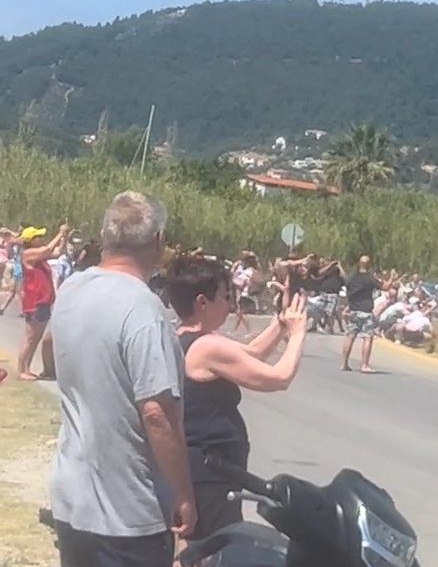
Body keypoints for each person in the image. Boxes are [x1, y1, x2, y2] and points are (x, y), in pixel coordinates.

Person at [50, 191, 197, 567]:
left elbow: (50, 348)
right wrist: (183, 494)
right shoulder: (144, 310)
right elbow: (156, 414)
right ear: (158, 242)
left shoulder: (72, 289)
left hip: (71, 498)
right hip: (128, 512)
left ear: (106, 236)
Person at [167, 256, 307, 541]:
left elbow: (251, 353)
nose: (230, 305)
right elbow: (278, 377)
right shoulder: (207, 346)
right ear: (202, 302)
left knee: (197, 550)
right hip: (210, 473)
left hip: (205, 468)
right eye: (225, 296)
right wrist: (297, 334)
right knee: (212, 548)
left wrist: (280, 323)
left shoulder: (188, 338)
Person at [18, 224, 68, 381]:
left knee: (36, 337)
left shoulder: (38, 257)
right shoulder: (28, 253)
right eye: (38, 236)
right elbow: (46, 250)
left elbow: (57, 252)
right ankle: (22, 369)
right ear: (30, 241)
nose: (41, 238)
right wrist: (59, 233)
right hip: (35, 301)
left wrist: (64, 237)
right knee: (31, 337)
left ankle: (27, 367)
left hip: (43, 301)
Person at [341, 255, 391, 373]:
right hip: (366, 310)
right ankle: (364, 365)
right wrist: (392, 278)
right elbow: (385, 287)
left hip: (353, 310)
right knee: (367, 338)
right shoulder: (370, 278)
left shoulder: (352, 277)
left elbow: (346, 284)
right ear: (369, 265)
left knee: (350, 336)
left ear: (359, 263)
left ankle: (344, 364)